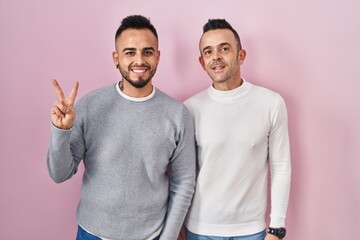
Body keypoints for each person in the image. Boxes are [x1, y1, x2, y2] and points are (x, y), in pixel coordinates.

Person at [47, 15, 196, 240]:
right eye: (129, 52)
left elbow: (184, 182)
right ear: (116, 58)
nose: (139, 60)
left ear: (157, 57)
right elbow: (59, 174)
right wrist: (61, 131)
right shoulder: (90, 105)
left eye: (147, 52)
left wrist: (168, 237)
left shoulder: (178, 114)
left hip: (152, 236)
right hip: (92, 234)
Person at [184, 19, 292, 240]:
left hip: (251, 231)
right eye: (208, 52)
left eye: (224, 48)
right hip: (199, 230)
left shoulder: (271, 103)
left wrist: (277, 229)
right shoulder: (190, 109)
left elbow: (281, 167)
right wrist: (177, 226)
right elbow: (182, 176)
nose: (216, 57)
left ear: (241, 55)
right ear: (202, 62)